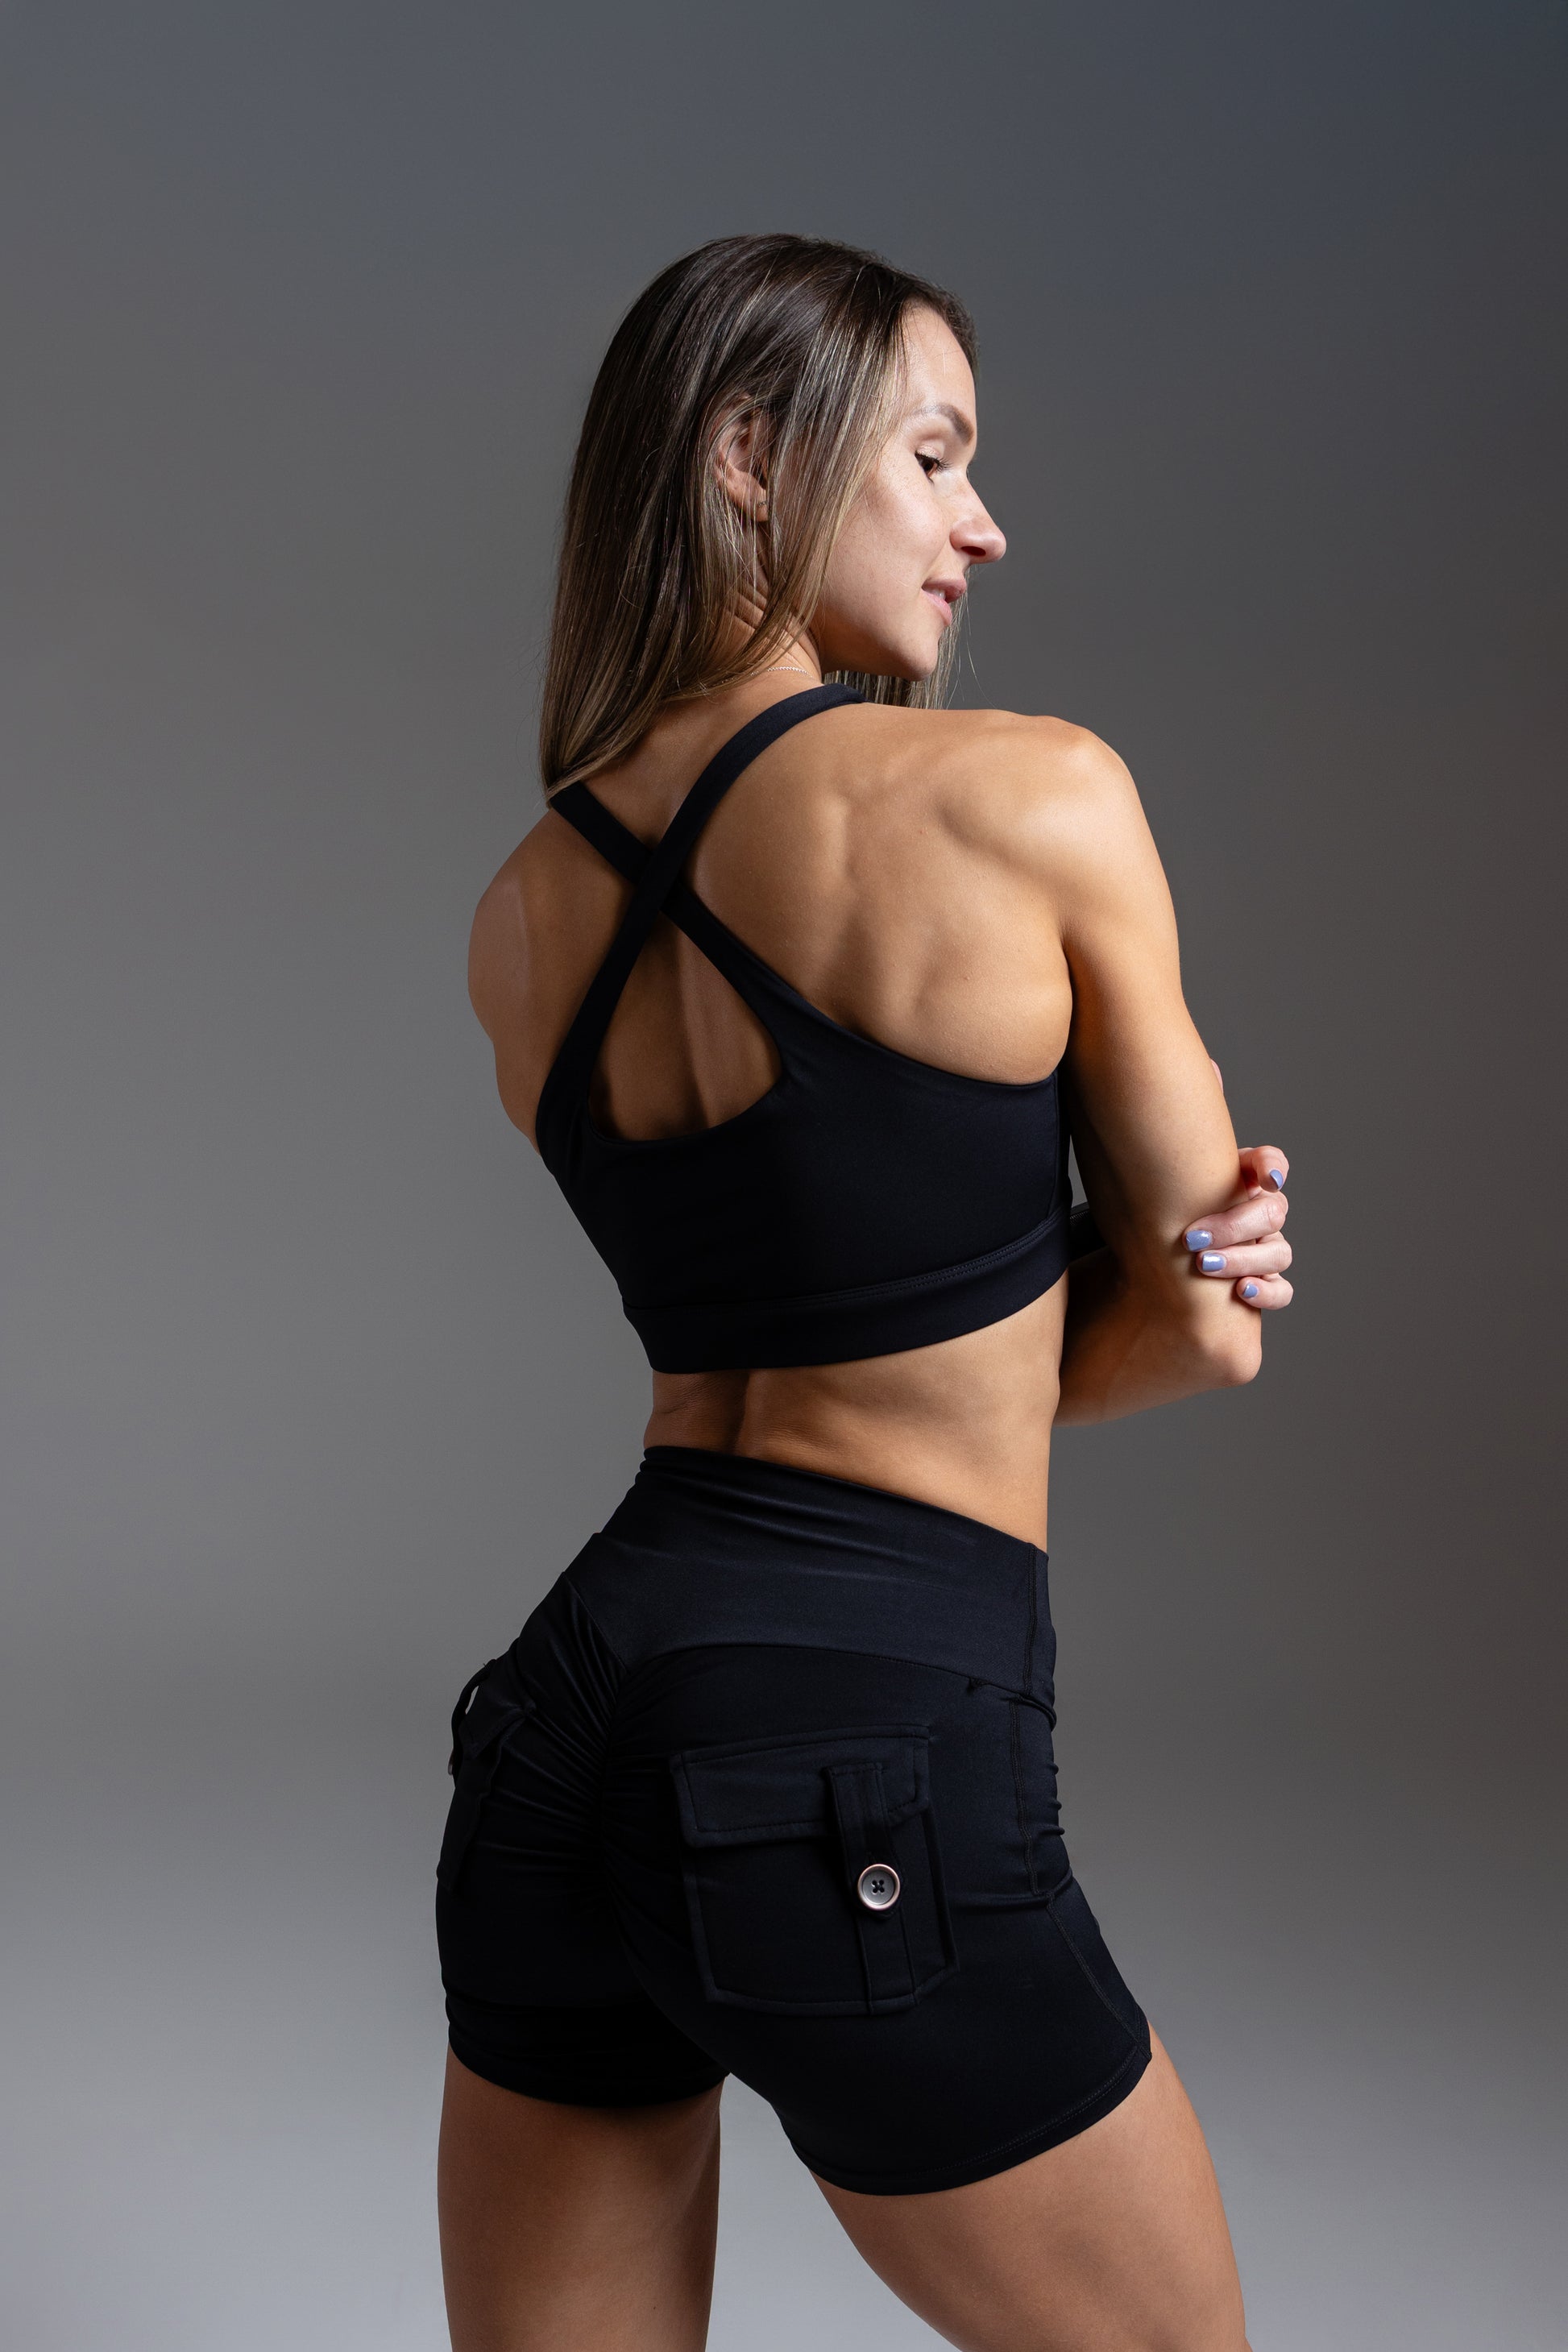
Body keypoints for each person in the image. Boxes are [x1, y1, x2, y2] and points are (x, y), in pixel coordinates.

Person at [442, 234, 1293, 2352]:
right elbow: (1204, 1319)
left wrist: (1023, 1298)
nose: (981, 524)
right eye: (933, 456)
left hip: (570, 1726)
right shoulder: (1029, 796)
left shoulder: (521, 917)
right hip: (861, 1737)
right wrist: (1173, 1267)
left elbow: (798, 1325)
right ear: (749, 454)